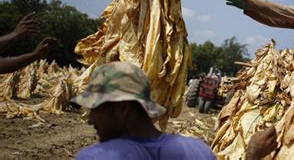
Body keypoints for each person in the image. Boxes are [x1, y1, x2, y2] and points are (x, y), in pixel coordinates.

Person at [72, 61, 216, 159]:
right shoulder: (199, 151)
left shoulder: (98, 156)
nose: (90, 120)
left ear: (123, 108)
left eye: (96, 109)